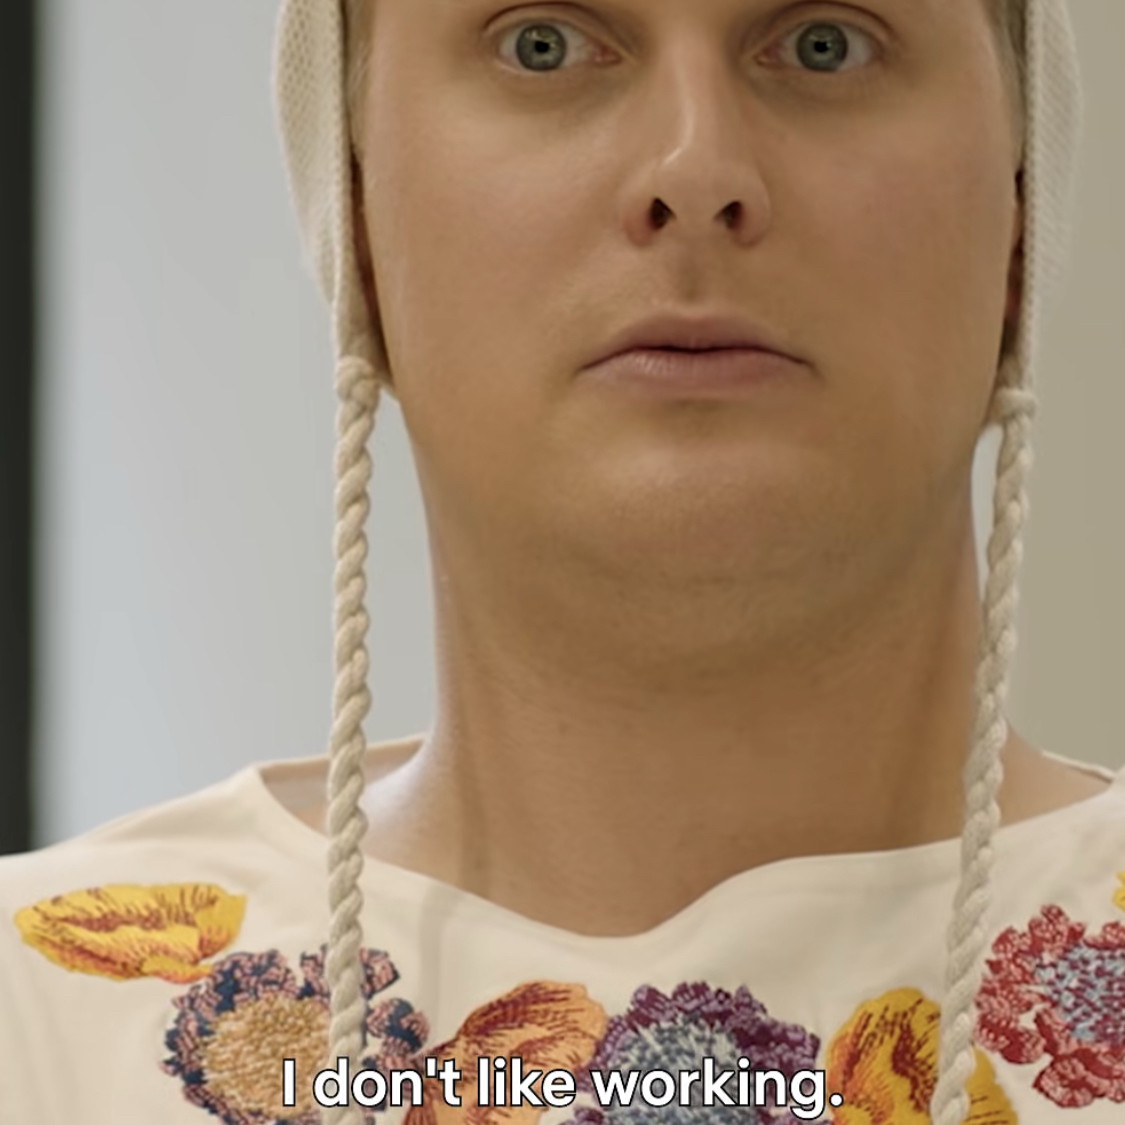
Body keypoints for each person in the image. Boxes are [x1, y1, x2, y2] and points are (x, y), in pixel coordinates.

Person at [2, 0, 1122, 1122]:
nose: (696, 171)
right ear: (354, 210)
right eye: (540, 45)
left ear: (1019, 207)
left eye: (825, 43)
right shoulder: (38, 1030)